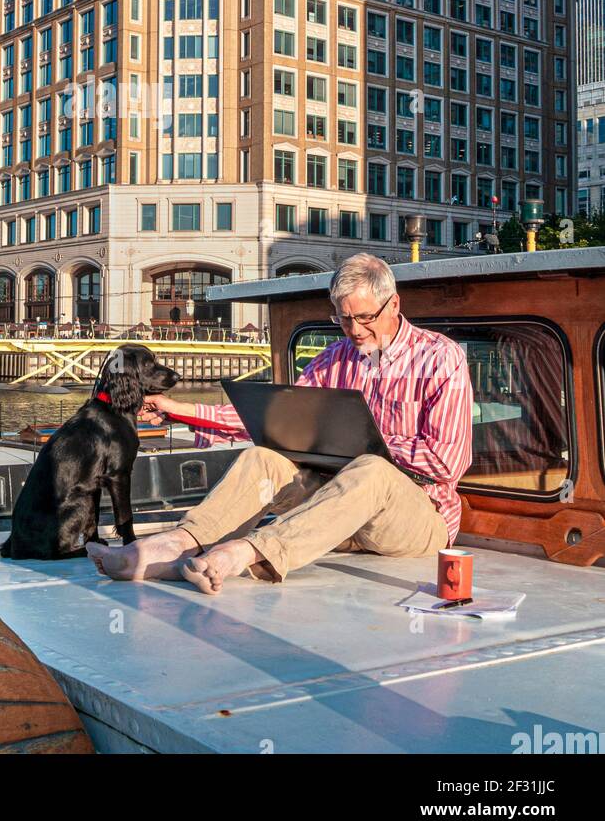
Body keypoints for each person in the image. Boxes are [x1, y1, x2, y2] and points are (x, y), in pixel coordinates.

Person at [88, 253, 473, 594]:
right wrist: (177, 408)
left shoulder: (441, 358)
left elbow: (448, 462)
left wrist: (368, 444)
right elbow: (274, 423)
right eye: (343, 318)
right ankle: (177, 546)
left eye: (365, 317)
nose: (354, 330)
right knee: (263, 458)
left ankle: (244, 552)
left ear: (394, 305)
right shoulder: (332, 359)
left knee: (371, 468)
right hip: (335, 515)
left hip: (417, 518)